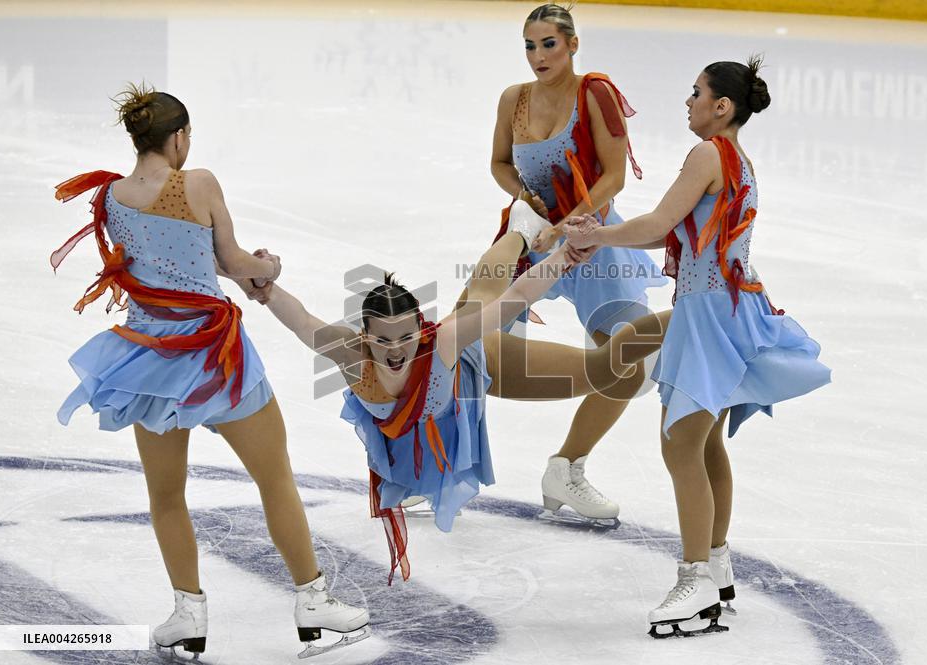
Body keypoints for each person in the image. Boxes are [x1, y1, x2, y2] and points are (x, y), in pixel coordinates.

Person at [51, 84, 369, 659]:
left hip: (147, 360)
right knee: (274, 475)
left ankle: (188, 615)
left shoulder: (110, 199)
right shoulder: (197, 184)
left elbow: (153, 269)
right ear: (177, 138)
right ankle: (313, 601)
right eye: (188, 137)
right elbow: (231, 262)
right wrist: (268, 265)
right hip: (215, 360)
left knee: (166, 495)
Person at [243, 200, 670, 583]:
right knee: (479, 295)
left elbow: (517, 296)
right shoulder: (352, 355)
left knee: (602, 368)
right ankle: (519, 229)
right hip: (444, 378)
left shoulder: (441, 340)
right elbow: (301, 320)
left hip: (476, 362)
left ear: (420, 327)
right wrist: (266, 290)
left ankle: (686, 311)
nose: (395, 350)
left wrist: (564, 255)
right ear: (365, 337)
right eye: (383, 340)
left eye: (405, 336)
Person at [565, 56, 831, 637]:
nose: (688, 103)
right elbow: (671, 228)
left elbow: (658, 219)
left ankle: (695, 582)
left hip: (708, 315)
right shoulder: (738, 160)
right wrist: (604, 236)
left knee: (680, 445)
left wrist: (597, 234)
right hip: (728, 307)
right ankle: (715, 561)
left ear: (722, 107)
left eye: (696, 94)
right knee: (705, 442)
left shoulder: (707, 154)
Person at [488, 3, 669, 524]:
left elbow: (613, 176)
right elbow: (499, 162)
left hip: (592, 242)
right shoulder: (514, 100)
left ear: (572, 44)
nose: (538, 56)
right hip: (529, 240)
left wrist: (573, 223)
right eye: (529, 45)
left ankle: (566, 467)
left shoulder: (595, 92)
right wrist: (525, 194)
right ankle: (429, 464)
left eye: (549, 44)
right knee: (474, 353)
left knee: (628, 365)